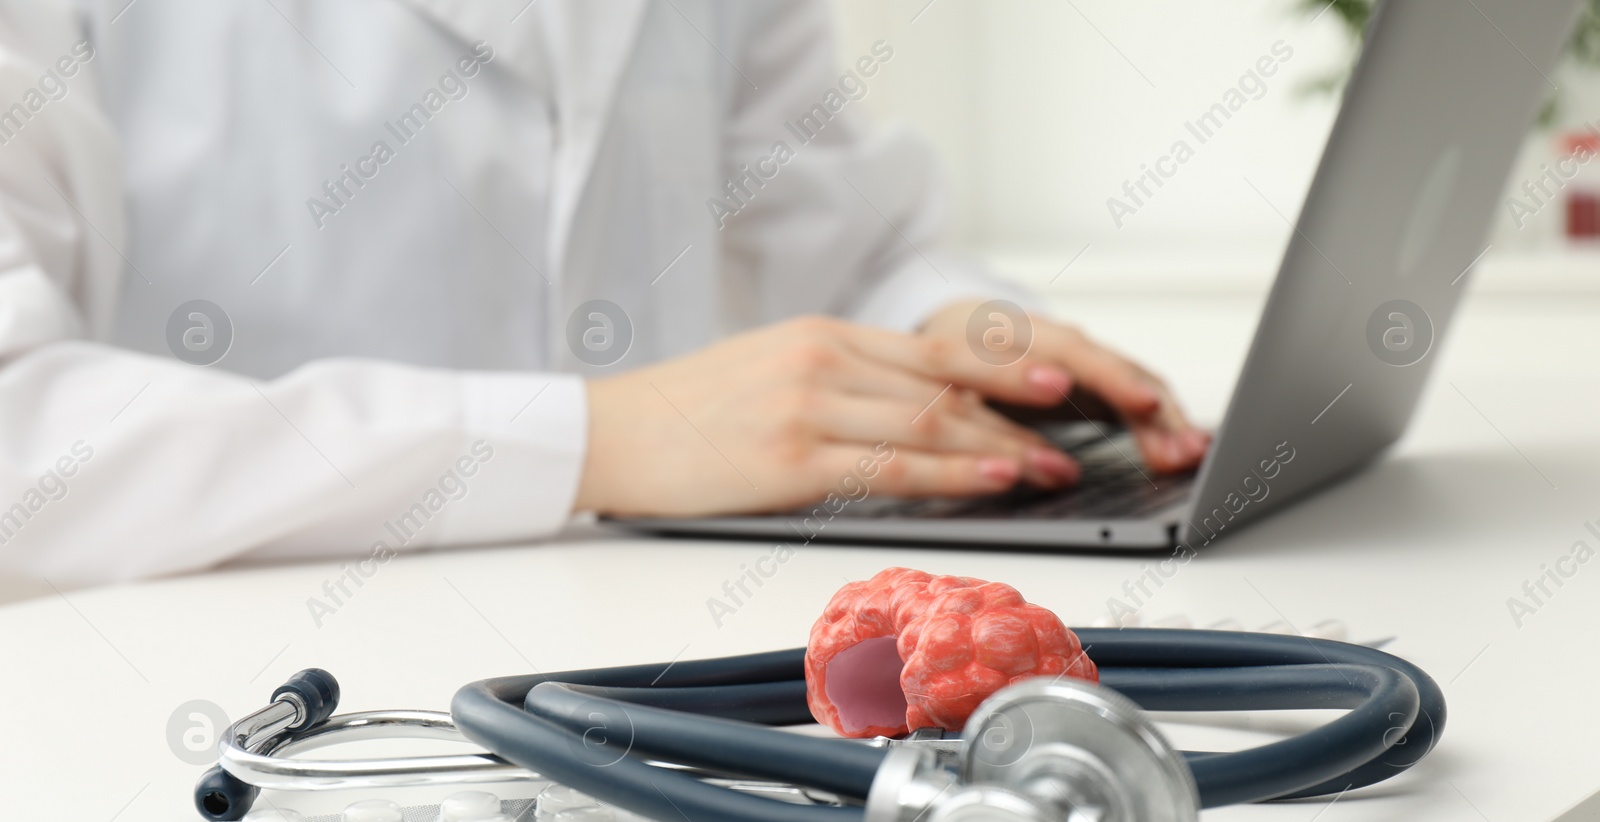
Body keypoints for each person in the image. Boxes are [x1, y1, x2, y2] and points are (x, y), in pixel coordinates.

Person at [0, 0, 1207, 587]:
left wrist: (951, 329)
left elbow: (846, 241)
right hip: (236, 703)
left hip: (654, 658)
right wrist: (596, 438)